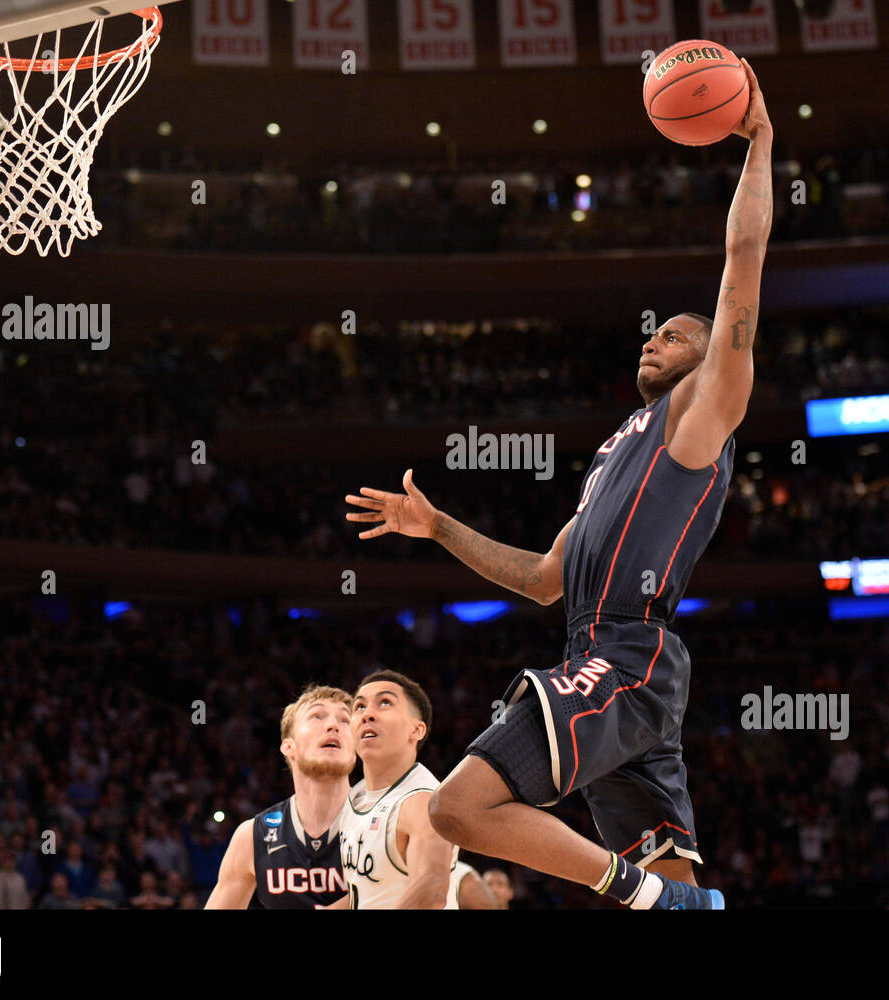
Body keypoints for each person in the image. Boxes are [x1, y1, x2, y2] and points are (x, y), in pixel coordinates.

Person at [348, 61, 772, 911]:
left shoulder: (703, 411)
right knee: (678, 891)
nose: (659, 338)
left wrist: (760, 141)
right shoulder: (620, 449)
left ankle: (649, 895)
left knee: (461, 808)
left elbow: (742, 259)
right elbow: (543, 579)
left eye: (681, 334)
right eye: (655, 332)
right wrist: (440, 529)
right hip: (603, 660)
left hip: (626, 654)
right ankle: (670, 900)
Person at [205, 685, 354, 909]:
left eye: (345, 720)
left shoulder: (386, 819)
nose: (333, 725)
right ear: (288, 746)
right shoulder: (253, 837)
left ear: (356, 748)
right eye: (317, 716)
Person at [329, 671, 457, 909]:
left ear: (416, 730)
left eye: (385, 702)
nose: (367, 714)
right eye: (359, 707)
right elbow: (370, 894)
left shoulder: (423, 801)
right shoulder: (356, 797)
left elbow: (431, 890)